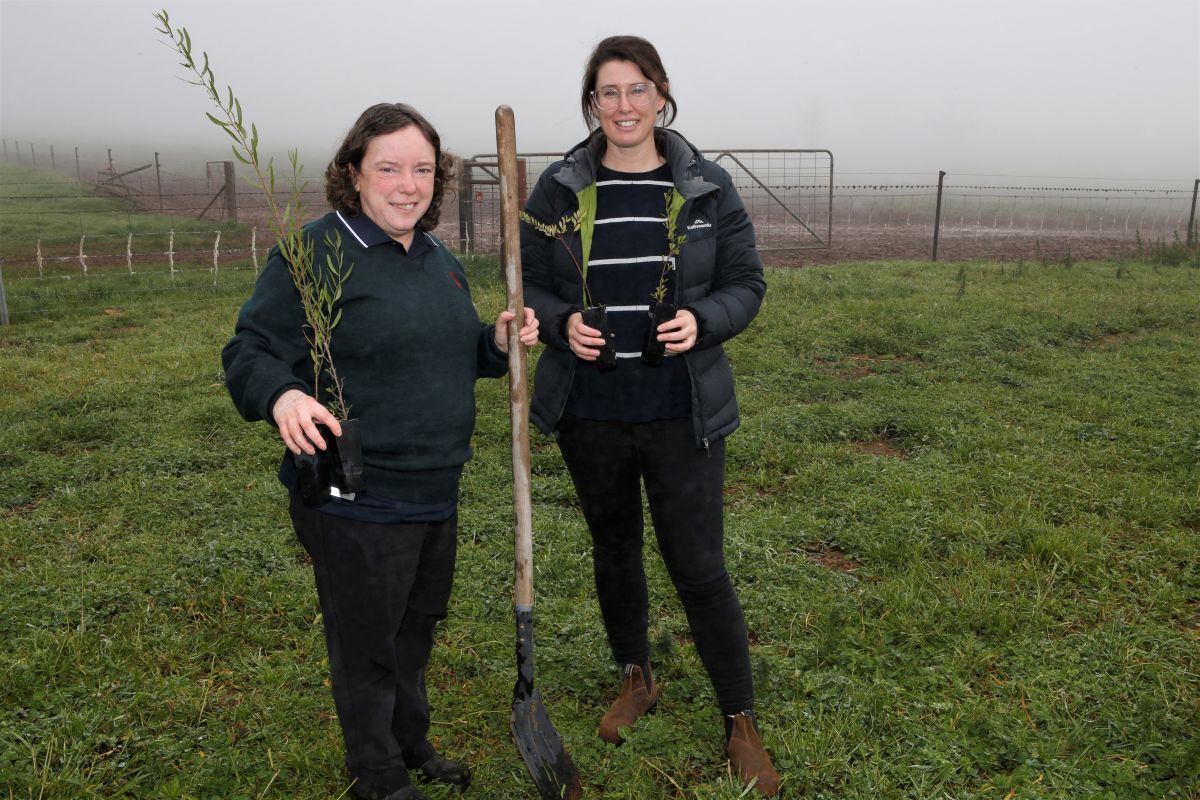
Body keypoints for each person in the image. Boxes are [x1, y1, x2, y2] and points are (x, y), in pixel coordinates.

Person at [223, 103, 538, 800]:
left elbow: (452, 355)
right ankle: (378, 775)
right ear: (352, 175)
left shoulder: (437, 261)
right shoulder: (316, 253)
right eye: (389, 167)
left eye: (423, 169)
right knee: (367, 645)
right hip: (356, 496)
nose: (408, 184)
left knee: (415, 630)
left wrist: (494, 342)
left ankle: (407, 740)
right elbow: (249, 348)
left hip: (434, 490)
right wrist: (282, 396)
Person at [520, 36, 780, 797]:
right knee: (614, 548)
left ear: (662, 95)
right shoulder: (558, 193)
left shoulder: (706, 188)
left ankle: (740, 719)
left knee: (699, 566)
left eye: (637, 90)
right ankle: (636, 676)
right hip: (591, 410)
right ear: (591, 102)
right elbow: (528, 284)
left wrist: (704, 320)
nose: (624, 106)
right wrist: (560, 320)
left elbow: (748, 284)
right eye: (608, 92)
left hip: (681, 410)